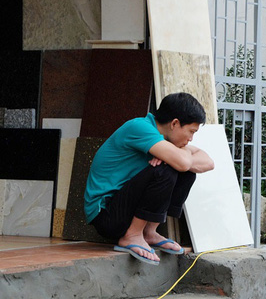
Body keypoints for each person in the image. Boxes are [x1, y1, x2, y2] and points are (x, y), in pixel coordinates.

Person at [84, 92, 215, 265]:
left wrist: (179, 154)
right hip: (106, 215)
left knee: (182, 169)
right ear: (175, 123)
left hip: (124, 210)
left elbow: (208, 162)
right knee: (167, 168)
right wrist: (180, 156)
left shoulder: (164, 139)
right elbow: (183, 163)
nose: (191, 139)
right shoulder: (139, 128)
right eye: (191, 132)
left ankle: (148, 232)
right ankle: (132, 236)